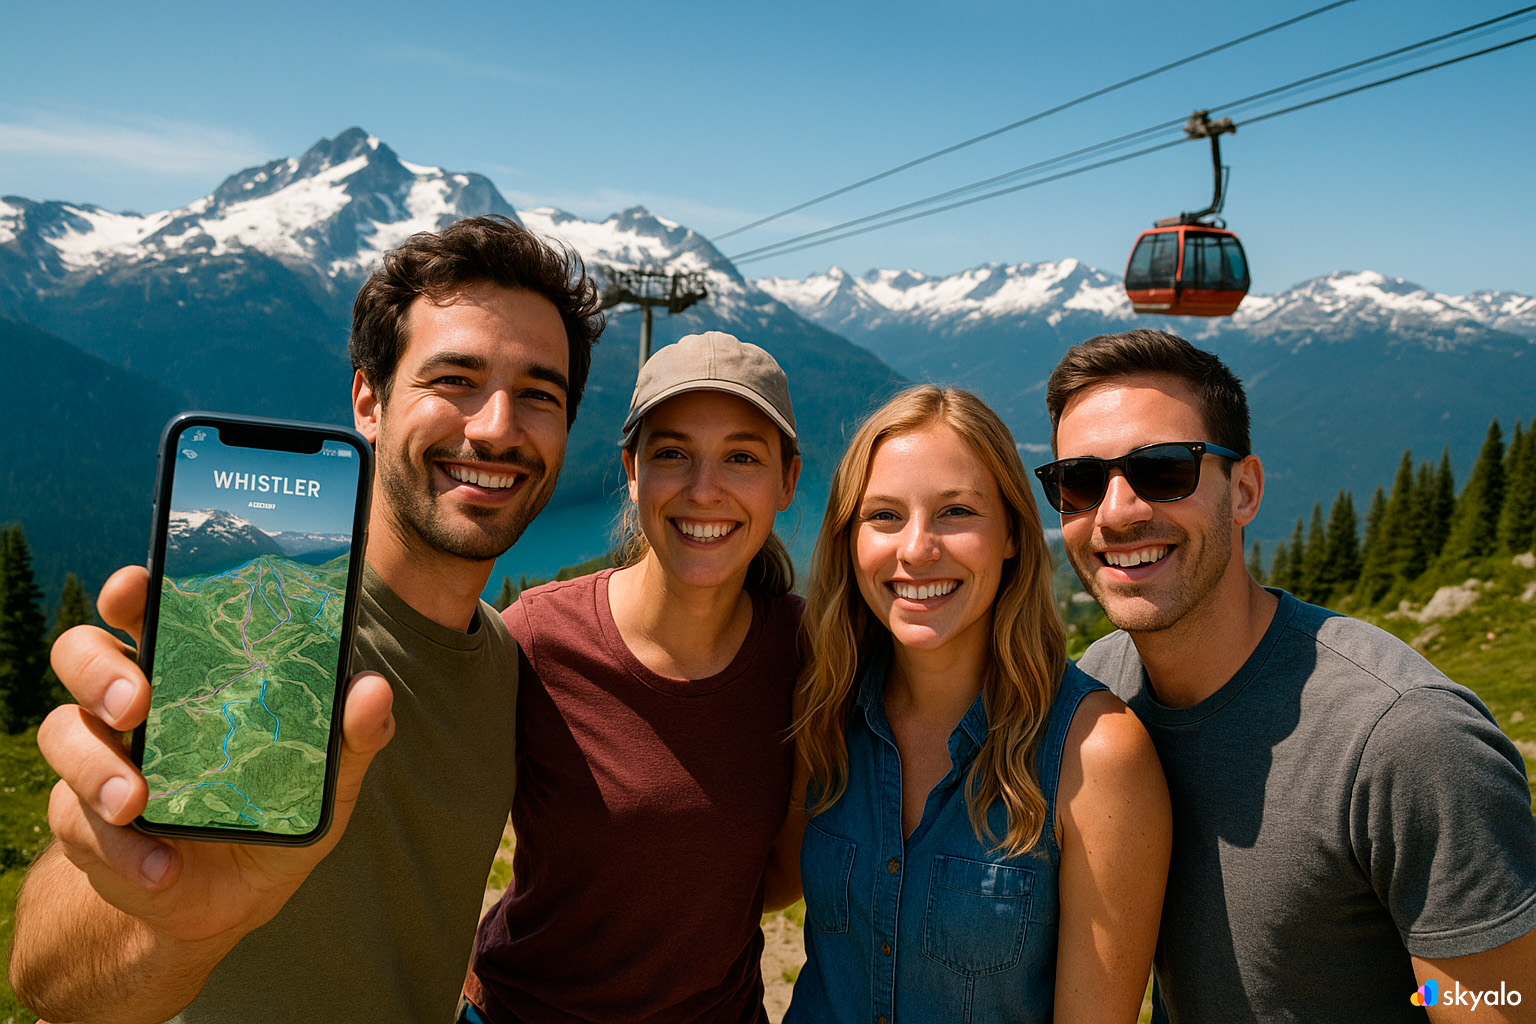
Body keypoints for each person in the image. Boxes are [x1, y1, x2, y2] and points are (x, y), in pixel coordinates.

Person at [7, 215, 605, 1023]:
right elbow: (44, 978)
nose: (497, 427)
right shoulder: (254, 627)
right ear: (369, 399)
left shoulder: (505, 664)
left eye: (539, 394)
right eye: (454, 380)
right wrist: (169, 923)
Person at [1038, 328, 1536, 1023]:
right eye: (1080, 482)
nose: (1117, 511)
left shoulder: (1408, 739)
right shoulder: (1099, 695)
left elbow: (1502, 1001)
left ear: (1244, 491)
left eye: (1164, 470)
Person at [782, 385, 1170, 1024]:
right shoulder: (825, 710)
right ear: (849, 540)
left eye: (956, 512)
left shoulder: (1094, 757)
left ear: (1014, 534)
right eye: (883, 516)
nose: (915, 549)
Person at [461, 330, 805, 1023]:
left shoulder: (809, 657)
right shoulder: (538, 638)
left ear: (787, 482)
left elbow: (776, 878)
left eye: (741, 457)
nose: (704, 490)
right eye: (673, 453)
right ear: (632, 469)